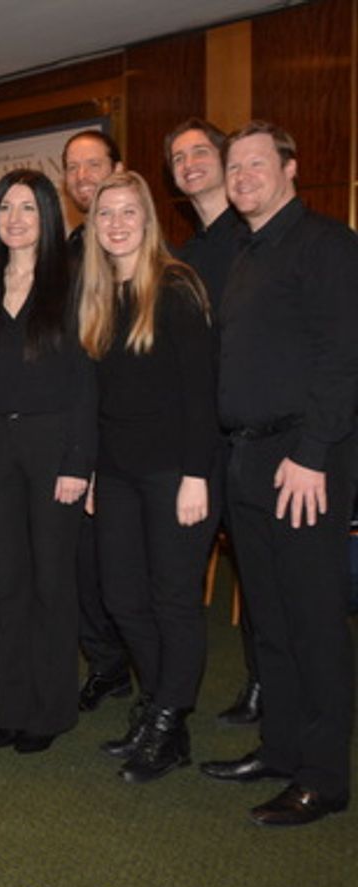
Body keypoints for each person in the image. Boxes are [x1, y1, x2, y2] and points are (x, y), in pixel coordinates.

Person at [198, 122, 358, 827]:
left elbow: (343, 356)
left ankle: (323, 777)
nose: (243, 176)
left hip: (303, 459)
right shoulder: (245, 253)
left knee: (313, 619)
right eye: (234, 167)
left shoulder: (326, 245)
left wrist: (314, 451)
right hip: (249, 457)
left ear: (291, 167)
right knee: (267, 619)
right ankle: (282, 747)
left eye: (257, 163)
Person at [78, 170, 218, 783]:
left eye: (128, 212)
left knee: (173, 601)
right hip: (115, 474)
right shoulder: (100, 293)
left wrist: (196, 476)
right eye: (105, 213)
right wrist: (87, 472)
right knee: (122, 599)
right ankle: (163, 707)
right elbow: (97, 399)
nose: (116, 223)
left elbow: (201, 394)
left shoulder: (178, 286)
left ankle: (166, 719)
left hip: (174, 474)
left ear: (148, 220)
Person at [0, 169, 95, 754]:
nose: (15, 219)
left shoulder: (75, 282)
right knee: (4, 583)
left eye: (28, 209)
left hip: (52, 449)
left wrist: (77, 465)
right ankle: (11, 708)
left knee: (50, 582)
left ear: (49, 218)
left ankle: (51, 710)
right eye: (6, 208)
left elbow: (87, 384)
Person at [166, 116, 262, 727]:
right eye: (178, 157)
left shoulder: (256, 238)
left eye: (201, 151)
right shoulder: (183, 254)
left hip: (253, 432)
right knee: (184, 567)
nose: (190, 162)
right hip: (200, 435)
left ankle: (263, 680)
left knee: (259, 571)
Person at [61, 128, 133, 713]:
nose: (83, 176)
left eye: (94, 165)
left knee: (124, 574)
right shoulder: (67, 251)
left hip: (130, 441)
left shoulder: (145, 261)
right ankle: (107, 665)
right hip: (74, 430)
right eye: (74, 168)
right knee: (83, 567)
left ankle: (145, 677)